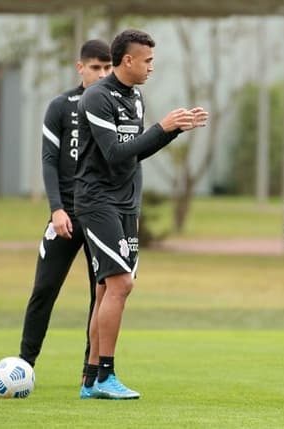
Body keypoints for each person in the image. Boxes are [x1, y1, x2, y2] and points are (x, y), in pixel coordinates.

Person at [75, 28, 209, 400]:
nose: (152, 67)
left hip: (125, 203)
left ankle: (89, 380)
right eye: (147, 60)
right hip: (97, 200)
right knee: (121, 284)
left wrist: (171, 131)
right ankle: (106, 376)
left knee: (106, 288)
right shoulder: (96, 97)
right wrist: (161, 128)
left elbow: (135, 152)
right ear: (128, 60)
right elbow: (114, 153)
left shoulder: (135, 98)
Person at [18, 40, 112, 380]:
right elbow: (48, 161)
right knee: (44, 288)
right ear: (80, 68)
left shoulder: (118, 106)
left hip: (101, 215)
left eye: (107, 68)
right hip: (66, 216)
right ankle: (24, 365)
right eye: (95, 68)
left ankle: (93, 372)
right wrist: (57, 209)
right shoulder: (61, 106)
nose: (102, 74)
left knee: (100, 294)